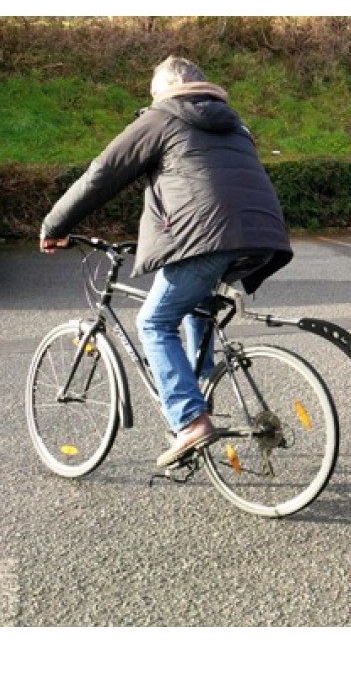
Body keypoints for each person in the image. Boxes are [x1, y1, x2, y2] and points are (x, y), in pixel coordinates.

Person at [40, 55, 293, 468]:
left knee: (153, 322)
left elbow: (104, 172)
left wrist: (55, 223)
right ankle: (202, 389)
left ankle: (191, 421)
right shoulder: (234, 123)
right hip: (263, 237)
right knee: (197, 309)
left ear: (164, 91)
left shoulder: (162, 116)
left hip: (207, 237)